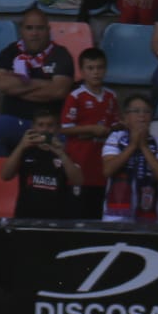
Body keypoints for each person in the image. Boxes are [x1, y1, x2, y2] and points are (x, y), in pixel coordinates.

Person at [0, 9, 76, 165]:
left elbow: (59, 90)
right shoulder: (10, 52)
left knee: (70, 142)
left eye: (39, 28)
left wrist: (19, 85)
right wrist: (44, 85)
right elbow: (3, 85)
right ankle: (6, 179)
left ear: (48, 30)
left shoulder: (61, 54)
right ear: (21, 30)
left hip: (50, 126)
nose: (34, 33)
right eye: (29, 28)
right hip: (14, 122)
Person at [99, 93, 158, 223]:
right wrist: (132, 146)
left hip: (147, 218)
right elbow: (107, 170)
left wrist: (144, 147)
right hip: (115, 218)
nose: (142, 115)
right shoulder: (115, 138)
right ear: (125, 118)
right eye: (136, 111)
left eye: (146, 112)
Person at [60, 47, 119, 219]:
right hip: (80, 161)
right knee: (78, 209)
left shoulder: (111, 96)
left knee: (98, 209)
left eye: (100, 68)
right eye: (90, 68)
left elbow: (115, 122)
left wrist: (118, 126)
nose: (95, 72)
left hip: (102, 161)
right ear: (82, 71)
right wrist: (91, 129)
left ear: (105, 69)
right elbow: (64, 127)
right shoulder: (76, 96)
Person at [0, 108, 82, 218]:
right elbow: (5, 175)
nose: (45, 129)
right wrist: (20, 147)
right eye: (41, 125)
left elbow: (78, 181)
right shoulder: (24, 150)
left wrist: (61, 154)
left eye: (50, 125)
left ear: (57, 129)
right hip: (26, 216)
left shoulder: (65, 151)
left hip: (57, 219)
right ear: (33, 128)